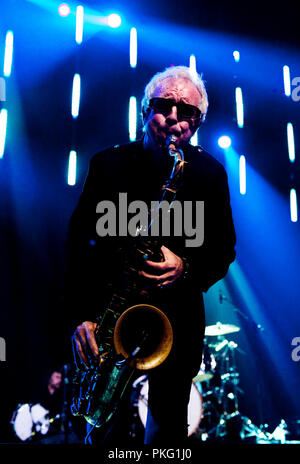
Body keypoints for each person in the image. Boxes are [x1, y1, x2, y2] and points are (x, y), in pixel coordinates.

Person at [64, 65, 236, 445]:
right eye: (164, 106)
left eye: (187, 111)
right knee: (104, 432)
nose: (174, 118)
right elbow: (78, 247)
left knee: (167, 434)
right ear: (145, 111)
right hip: (110, 319)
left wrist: (187, 267)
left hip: (175, 324)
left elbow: (224, 249)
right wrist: (82, 315)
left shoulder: (209, 175)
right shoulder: (107, 166)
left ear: (198, 122)